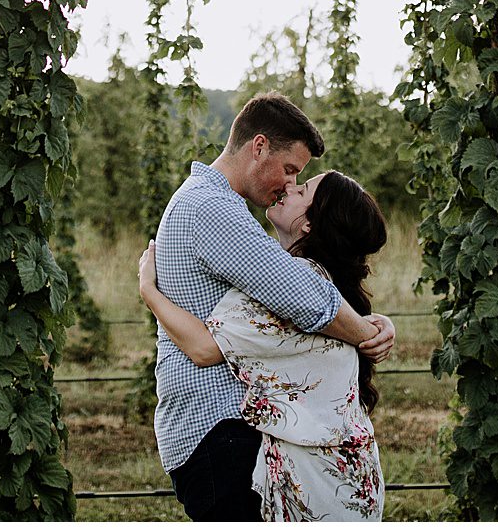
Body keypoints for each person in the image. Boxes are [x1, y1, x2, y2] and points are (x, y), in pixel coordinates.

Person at [147, 92, 394, 521]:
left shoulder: (215, 205)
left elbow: (304, 300)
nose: (289, 184)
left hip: (229, 437)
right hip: (218, 433)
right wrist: (367, 334)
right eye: (290, 169)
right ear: (258, 147)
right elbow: (306, 299)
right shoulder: (213, 209)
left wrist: (371, 325)